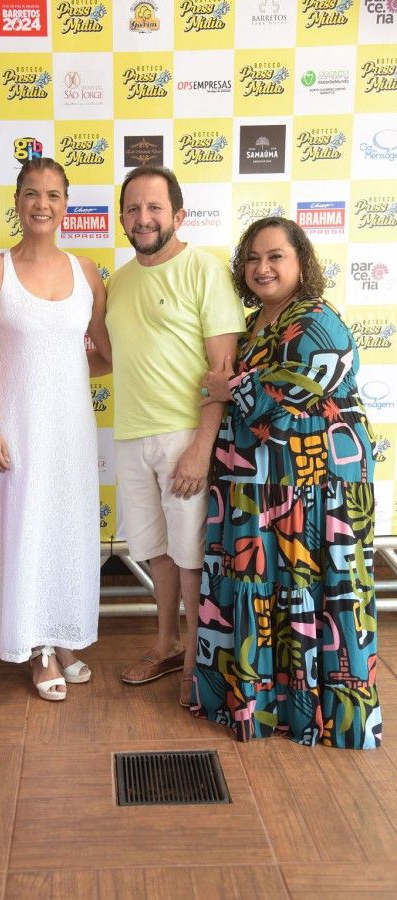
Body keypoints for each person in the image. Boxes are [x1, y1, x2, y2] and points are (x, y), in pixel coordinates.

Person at [191, 216, 381, 749]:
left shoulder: (317, 318)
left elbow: (288, 390)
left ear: (301, 262)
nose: (263, 267)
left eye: (275, 256)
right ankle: (263, 706)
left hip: (317, 488)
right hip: (263, 484)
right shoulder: (253, 323)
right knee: (262, 588)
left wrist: (226, 386)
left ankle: (317, 716)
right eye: (253, 258)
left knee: (312, 593)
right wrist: (231, 388)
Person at [105, 165, 245, 706]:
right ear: (122, 219)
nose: (143, 218)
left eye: (154, 208)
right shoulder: (118, 281)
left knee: (190, 556)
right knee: (157, 552)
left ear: (179, 215)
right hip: (130, 435)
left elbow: (223, 372)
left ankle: (196, 664)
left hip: (184, 435)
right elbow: (112, 357)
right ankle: (166, 644)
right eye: (133, 209)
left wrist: (201, 447)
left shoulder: (204, 270)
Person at [0, 157, 111, 701]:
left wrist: (66, 370)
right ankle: (36, 648)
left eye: (53, 195)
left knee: (67, 531)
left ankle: (64, 636)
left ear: (66, 205)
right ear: (16, 202)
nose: (42, 204)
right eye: (32, 193)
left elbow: (106, 353)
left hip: (71, 428)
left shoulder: (88, 272)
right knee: (22, 530)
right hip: (15, 426)